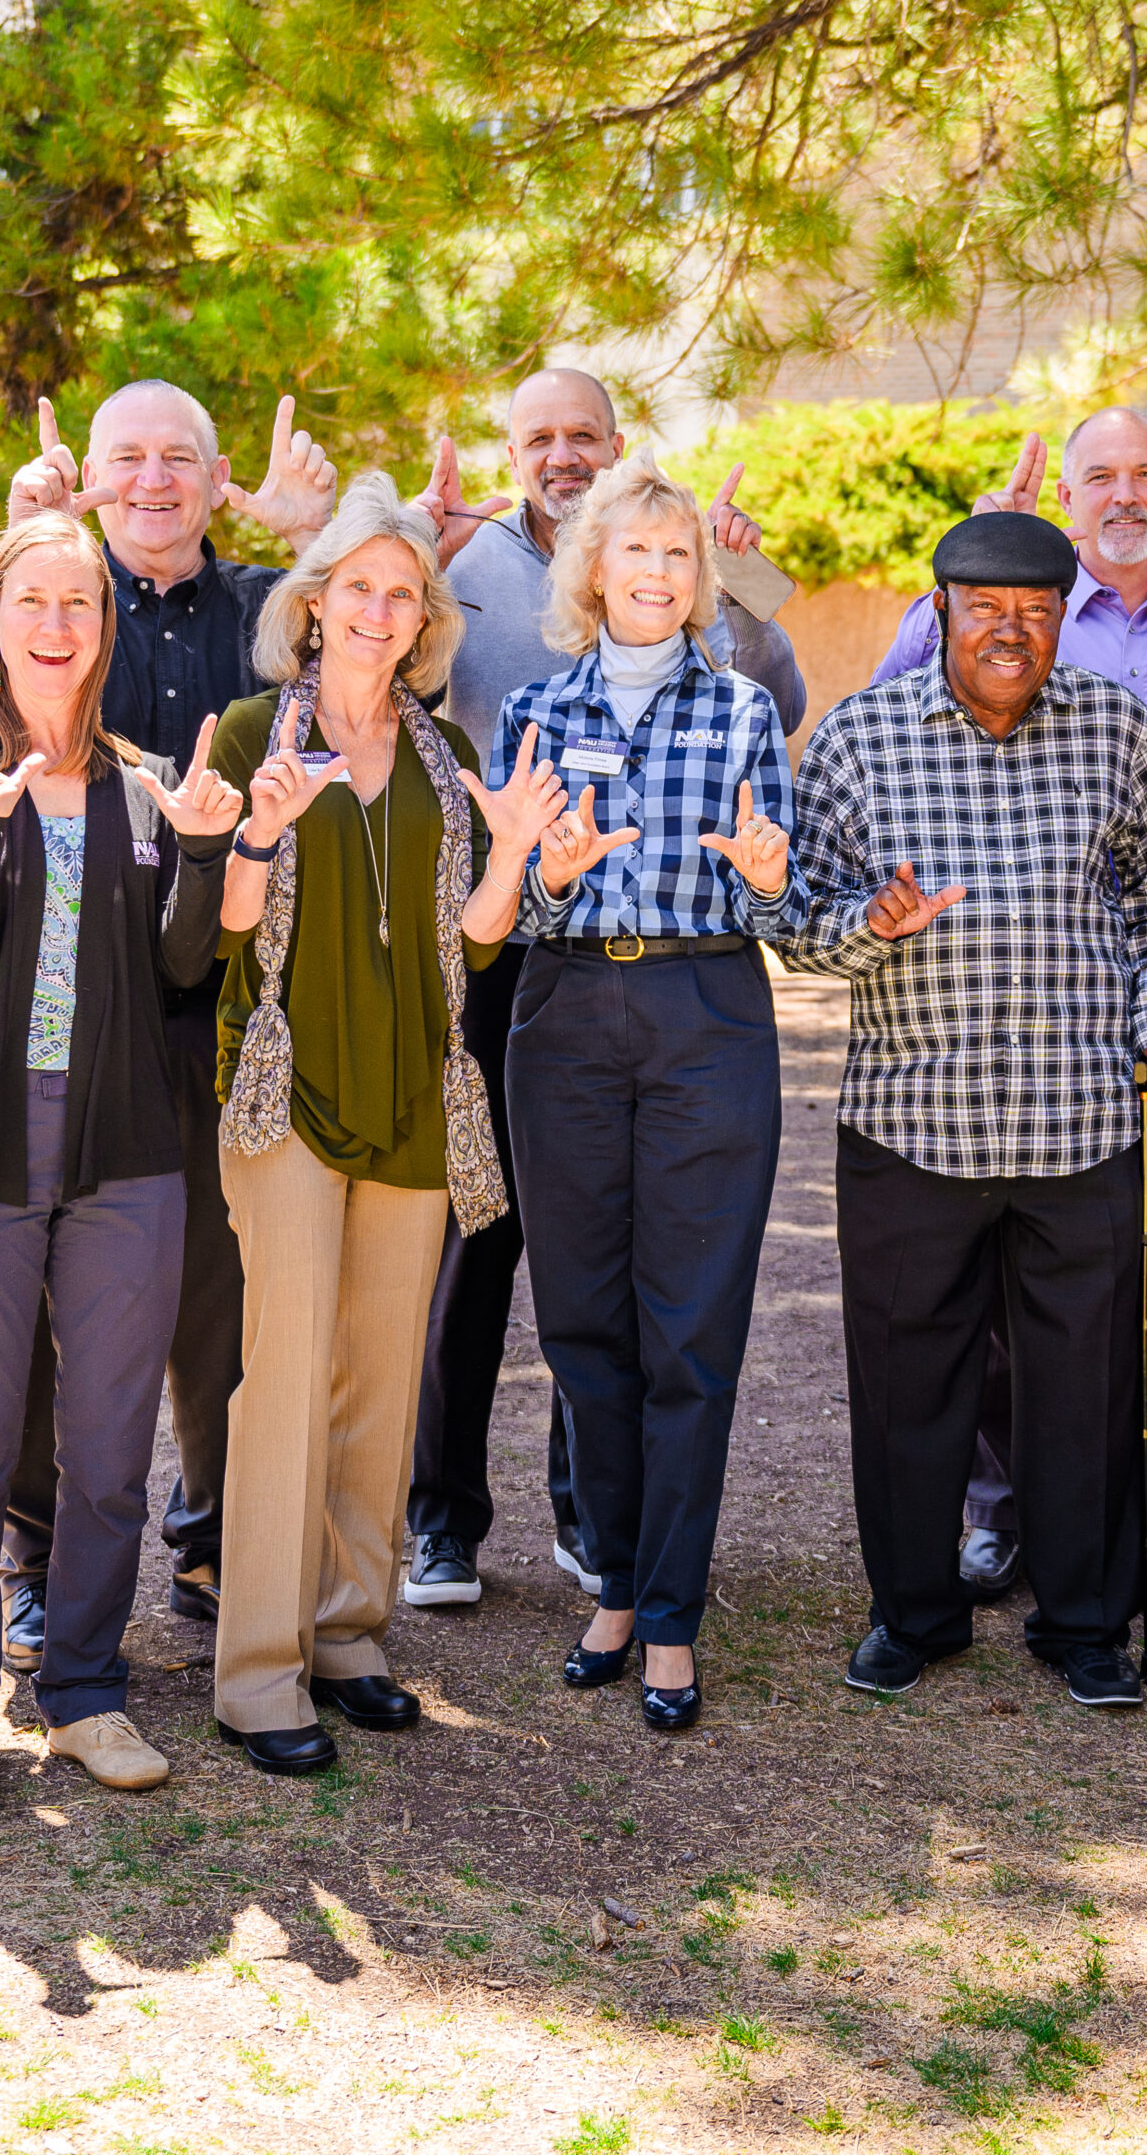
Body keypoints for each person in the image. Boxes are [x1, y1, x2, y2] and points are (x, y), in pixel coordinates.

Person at [867, 409, 1147, 1604]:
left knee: (1130, 1280)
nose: (1124, 493)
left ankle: (1093, 1507)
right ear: (1067, 491)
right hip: (997, 1000)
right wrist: (984, 555)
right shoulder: (1005, 608)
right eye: (1098, 475)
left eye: (1144, 473)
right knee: (995, 1274)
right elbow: (893, 700)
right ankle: (1002, 1506)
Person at [404, 367, 804, 1613]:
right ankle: (446, 1522)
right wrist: (415, 548)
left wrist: (742, 574)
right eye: (541, 436)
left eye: (585, 434)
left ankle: (608, 1538)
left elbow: (775, 710)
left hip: (680, 982)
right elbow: (382, 667)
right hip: (518, 963)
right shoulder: (463, 569)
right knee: (495, 1251)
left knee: (651, 1286)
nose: (563, 452)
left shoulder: (713, 620)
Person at [788, 509, 1147, 1712]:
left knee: (1085, 1388)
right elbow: (797, 928)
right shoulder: (862, 740)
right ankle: (912, 1612)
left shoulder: (1117, 732)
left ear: (1063, 619)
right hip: (916, 1123)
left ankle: (1084, 1623)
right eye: (986, 611)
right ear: (943, 611)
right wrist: (875, 925)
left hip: (1082, 1126)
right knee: (912, 1381)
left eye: (1035, 613)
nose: (1010, 632)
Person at [0, 516, 245, 1816]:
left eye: (80, 601)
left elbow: (183, 972)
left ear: (102, 624)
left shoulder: (148, 788)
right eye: (29, 598)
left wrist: (205, 853)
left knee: (107, 1455)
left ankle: (85, 1690)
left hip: (127, 1166)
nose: (55, 622)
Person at [201, 477, 560, 1774]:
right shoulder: (250, 736)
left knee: (375, 1382)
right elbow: (227, 931)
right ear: (312, 605)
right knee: (284, 1380)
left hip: (418, 1093)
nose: (378, 609)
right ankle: (258, 1672)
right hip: (286, 1091)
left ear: (424, 625)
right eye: (356, 586)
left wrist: (511, 849)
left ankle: (350, 1639)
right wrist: (255, 831)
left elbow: (474, 935)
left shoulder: (449, 759)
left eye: (402, 594)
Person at [1, 383, 340, 1638]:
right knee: (46, 1287)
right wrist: (21, 533)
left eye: (179, 458)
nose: (153, 479)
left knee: (217, 1290)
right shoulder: (54, 597)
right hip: (63, 1004)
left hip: (224, 1000)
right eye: (126, 458)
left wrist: (311, 552)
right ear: (89, 475)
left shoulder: (268, 605)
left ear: (213, 478)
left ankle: (209, 1540)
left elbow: (351, 695)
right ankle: (33, 1560)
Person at [499, 460, 803, 1730]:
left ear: (698, 581)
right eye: (638, 552)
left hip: (705, 1017)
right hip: (564, 1017)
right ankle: (616, 1582)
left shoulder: (740, 713)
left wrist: (767, 878)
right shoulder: (530, 708)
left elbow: (765, 895)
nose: (661, 574)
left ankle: (671, 1615)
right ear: (592, 571)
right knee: (582, 1323)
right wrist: (554, 879)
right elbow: (509, 903)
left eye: (682, 557)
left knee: (690, 1328)